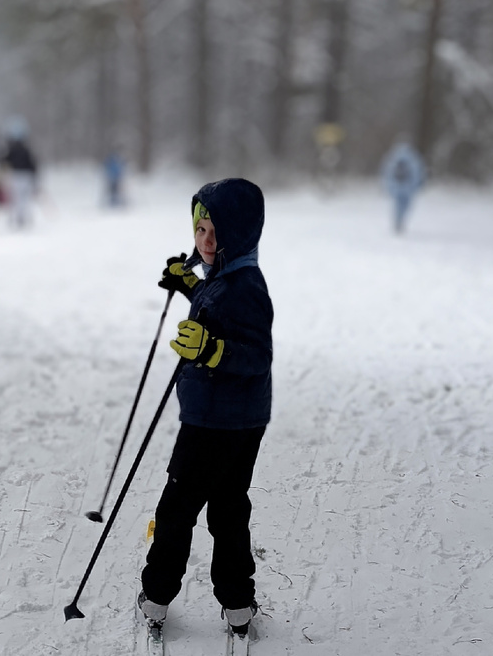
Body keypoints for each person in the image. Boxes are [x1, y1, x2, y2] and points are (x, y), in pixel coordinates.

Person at [138, 177, 273, 642]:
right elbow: (217, 306)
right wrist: (190, 283)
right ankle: (237, 605)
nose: (206, 240)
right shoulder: (227, 277)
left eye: (216, 231)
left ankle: (156, 595)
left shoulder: (248, 287)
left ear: (240, 232)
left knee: (179, 507)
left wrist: (212, 350)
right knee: (229, 510)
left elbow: (256, 355)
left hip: (213, 423)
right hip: (239, 421)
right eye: (199, 230)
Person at [380, 141, 426, 234]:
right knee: (405, 207)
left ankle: (398, 221)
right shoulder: (412, 158)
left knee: (397, 206)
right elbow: (417, 173)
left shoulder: (393, 158)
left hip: (397, 188)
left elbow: (387, 173)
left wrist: (389, 187)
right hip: (407, 189)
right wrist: (417, 186)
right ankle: (400, 221)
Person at [1, 121, 38, 228]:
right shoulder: (25, 148)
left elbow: (5, 160)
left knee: (16, 197)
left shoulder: (12, 148)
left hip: (18, 175)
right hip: (22, 175)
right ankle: (20, 216)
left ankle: (19, 216)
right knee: (22, 198)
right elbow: (32, 163)